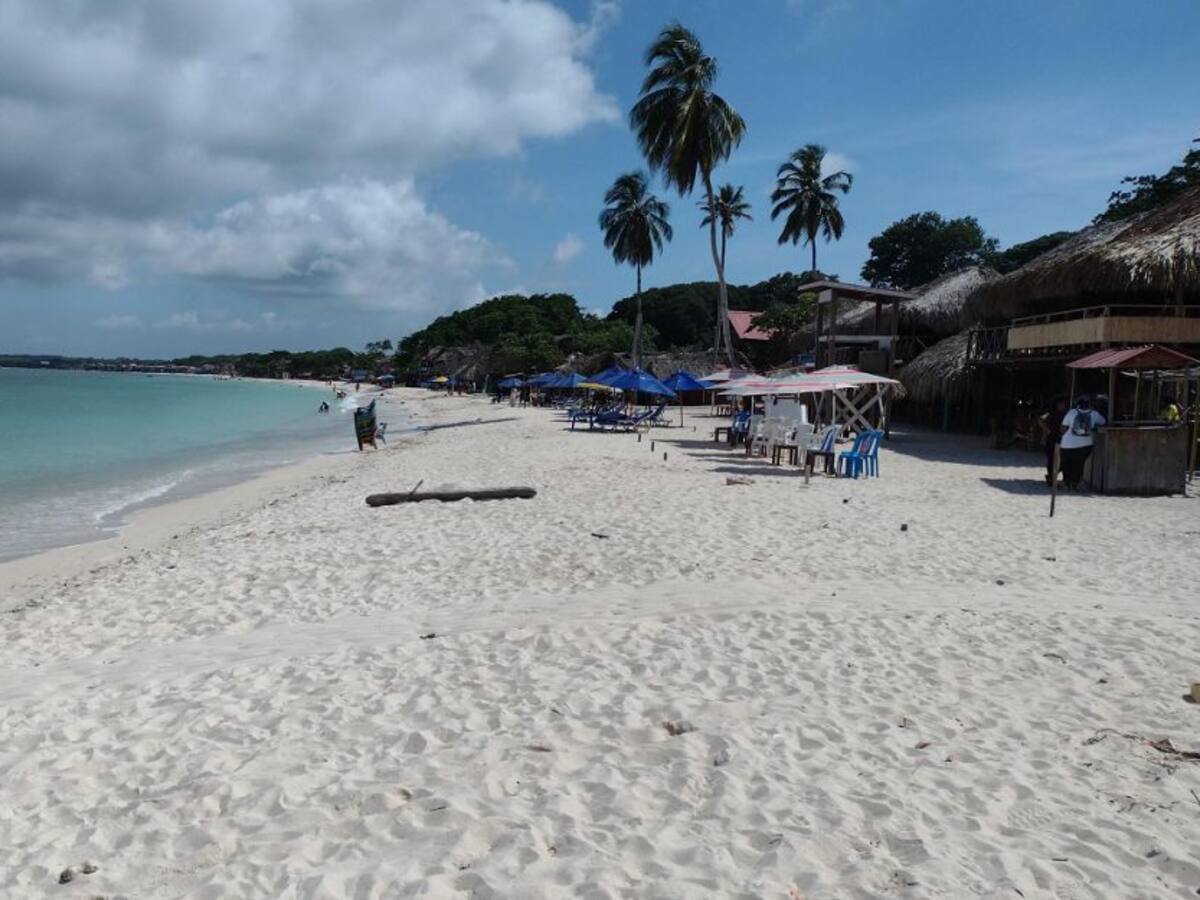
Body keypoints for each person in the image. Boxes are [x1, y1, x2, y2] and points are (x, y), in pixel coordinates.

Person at [1059, 395, 1106, 490]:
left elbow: (1063, 427)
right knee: (1079, 464)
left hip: (1067, 444)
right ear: (1089, 405)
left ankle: (1066, 481)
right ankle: (1075, 483)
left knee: (1066, 463)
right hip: (1086, 443)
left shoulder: (1072, 412)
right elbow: (1103, 422)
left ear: (1078, 404)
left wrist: (1062, 437)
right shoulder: (1094, 414)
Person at [1039, 396, 1068, 485]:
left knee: (1063, 460)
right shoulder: (1051, 413)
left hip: (1063, 440)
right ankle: (1050, 478)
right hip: (1051, 439)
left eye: (1063, 404)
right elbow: (1041, 419)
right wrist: (1047, 430)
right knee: (1051, 459)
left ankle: (1062, 478)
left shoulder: (1067, 414)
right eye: (1060, 404)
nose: (1062, 406)